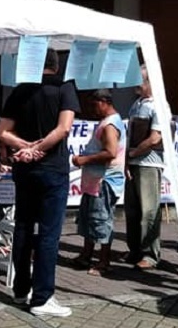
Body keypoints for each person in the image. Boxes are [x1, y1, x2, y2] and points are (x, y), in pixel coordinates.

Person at [0, 49, 79, 317]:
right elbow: (64, 128)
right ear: (56, 66)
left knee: (22, 227)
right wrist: (40, 148)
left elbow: (3, 132)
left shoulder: (20, 90)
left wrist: (25, 148)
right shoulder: (65, 88)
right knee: (48, 233)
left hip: (24, 169)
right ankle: (43, 297)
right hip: (52, 169)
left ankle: (21, 290)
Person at [71, 90, 127, 276]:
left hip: (104, 181)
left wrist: (84, 160)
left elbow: (110, 152)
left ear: (103, 102)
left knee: (101, 220)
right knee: (89, 219)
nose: (92, 109)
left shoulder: (110, 125)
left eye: (94, 104)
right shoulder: (107, 122)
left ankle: (104, 261)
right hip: (95, 181)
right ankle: (86, 255)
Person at [124, 66, 167, 270]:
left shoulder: (158, 105)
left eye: (139, 80)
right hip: (134, 163)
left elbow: (155, 137)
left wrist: (133, 153)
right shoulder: (137, 104)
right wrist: (127, 160)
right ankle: (135, 250)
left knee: (148, 211)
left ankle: (150, 254)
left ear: (150, 82)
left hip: (149, 163)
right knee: (132, 210)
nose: (135, 83)